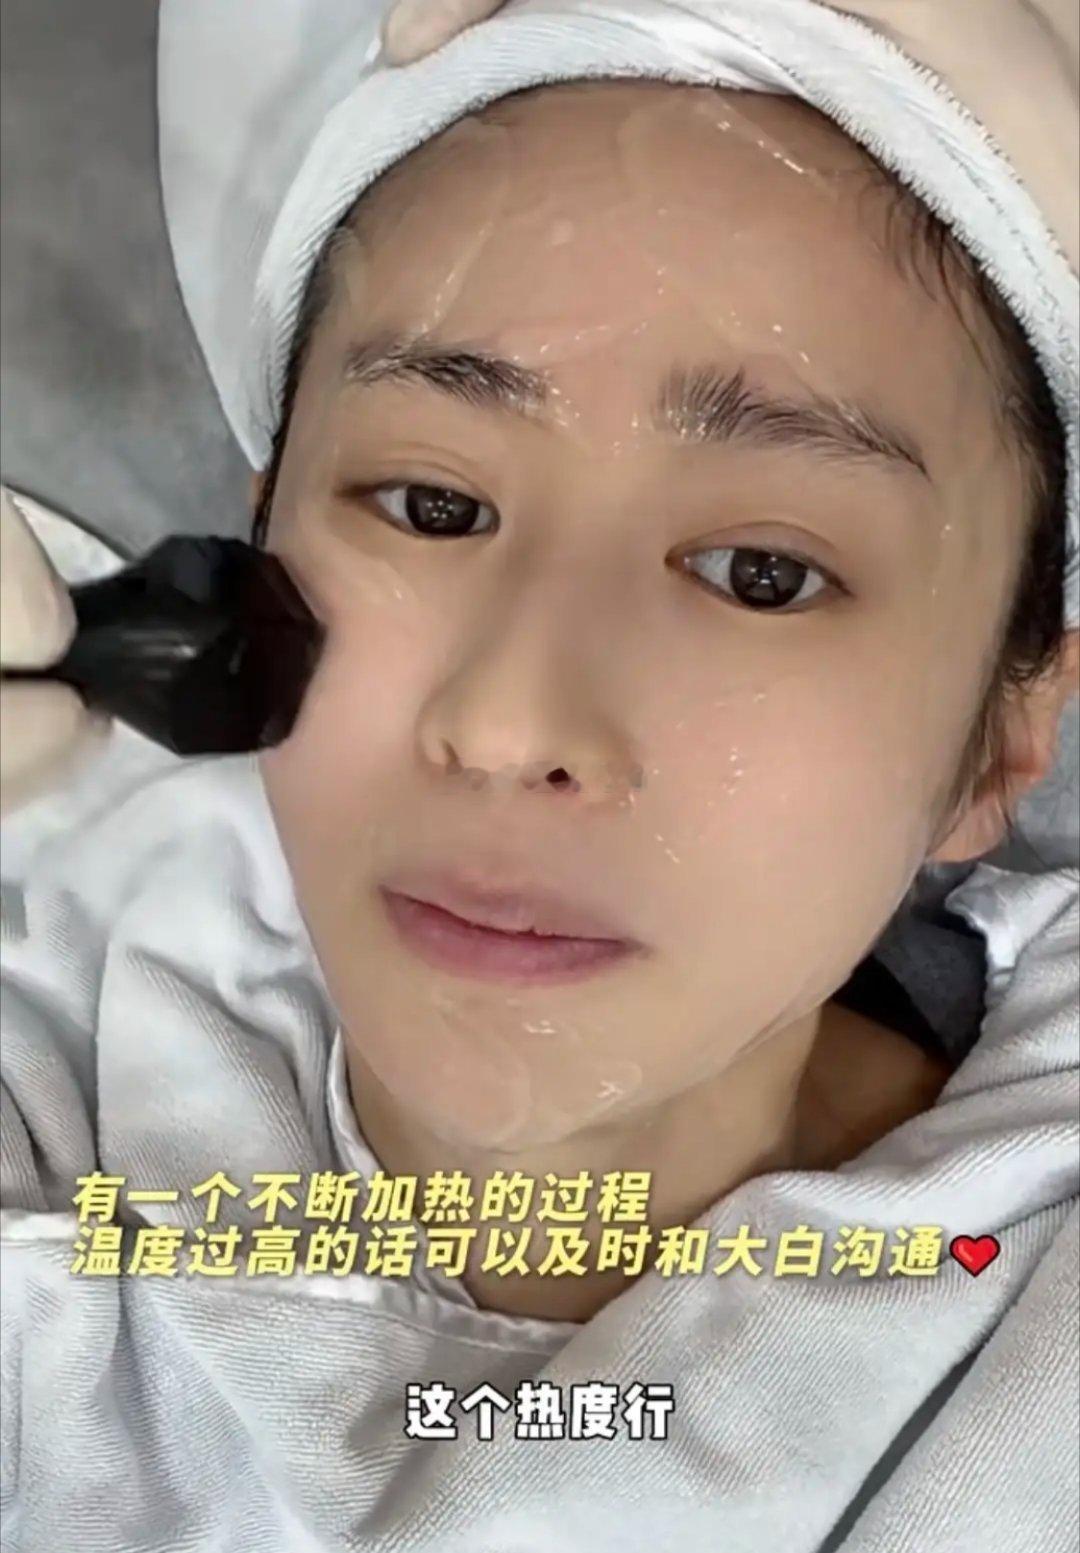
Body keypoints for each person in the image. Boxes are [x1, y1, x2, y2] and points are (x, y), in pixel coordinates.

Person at [2, 4, 1078, 1550]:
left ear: (1004, 734)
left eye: (761, 573)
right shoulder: (57, 1040)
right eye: (432, 505)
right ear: (249, 554)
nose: (510, 723)